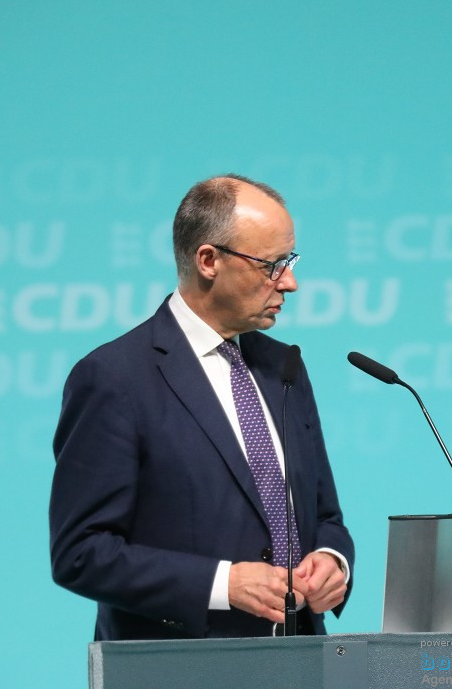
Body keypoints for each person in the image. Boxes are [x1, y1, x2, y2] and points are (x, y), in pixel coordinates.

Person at [49, 174, 354, 640]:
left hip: (303, 661)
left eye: (290, 261)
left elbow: (324, 517)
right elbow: (80, 554)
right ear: (208, 260)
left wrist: (333, 562)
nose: (289, 283)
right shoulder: (115, 378)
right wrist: (222, 584)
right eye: (271, 265)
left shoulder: (284, 366)